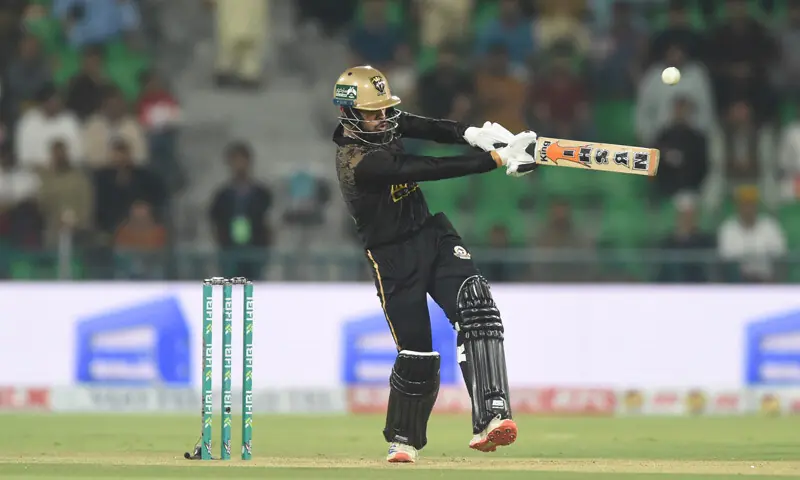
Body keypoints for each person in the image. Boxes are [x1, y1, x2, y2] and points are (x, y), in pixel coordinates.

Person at [331, 65, 538, 463]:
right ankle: (404, 440)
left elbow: (423, 125)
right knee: (417, 353)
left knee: (478, 306)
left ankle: (492, 417)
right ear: (348, 115)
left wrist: (471, 134)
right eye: (371, 113)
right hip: (391, 257)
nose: (382, 118)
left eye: (383, 109)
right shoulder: (358, 161)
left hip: (431, 235)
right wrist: (493, 159)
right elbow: (427, 169)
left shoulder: (384, 125)